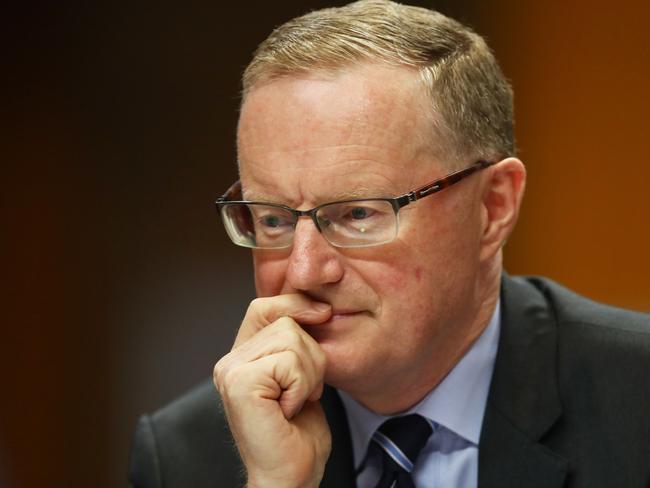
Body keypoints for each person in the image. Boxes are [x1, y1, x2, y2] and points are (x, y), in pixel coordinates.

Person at [128, 1, 650, 487]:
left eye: (357, 214)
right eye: (273, 220)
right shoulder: (186, 455)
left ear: (493, 207)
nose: (304, 272)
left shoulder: (636, 404)